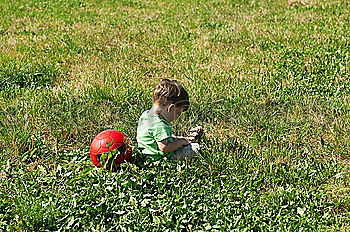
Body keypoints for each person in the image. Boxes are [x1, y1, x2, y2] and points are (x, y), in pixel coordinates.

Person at [136, 79, 203, 161]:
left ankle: (188, 139)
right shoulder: (159, 124)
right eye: (177, 113)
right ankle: (193, 143)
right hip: (160, 158)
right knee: (195, 148)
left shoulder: (146, 115)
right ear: (170, 108)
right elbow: (164, 148)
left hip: (146, 154)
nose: (177, 117)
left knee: (179, 139)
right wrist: (181, 142)